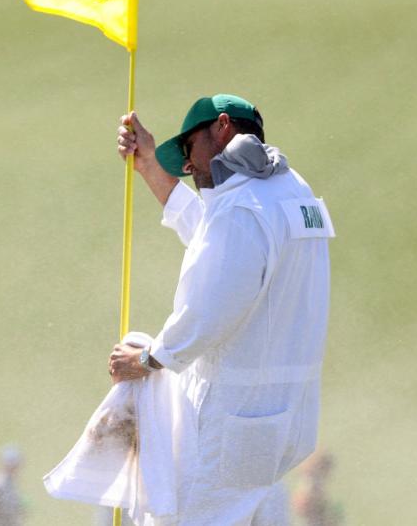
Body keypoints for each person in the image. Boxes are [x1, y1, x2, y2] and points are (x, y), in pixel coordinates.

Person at [108, 94, 334, 524]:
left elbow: (213, 305)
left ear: (222, 127)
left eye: (189, 151)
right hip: (282, 422)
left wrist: (148, 358)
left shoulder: (242, 206)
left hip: (229, 424)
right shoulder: (291, 191)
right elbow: (218, 249)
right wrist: (149, 166)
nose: (189, 167)